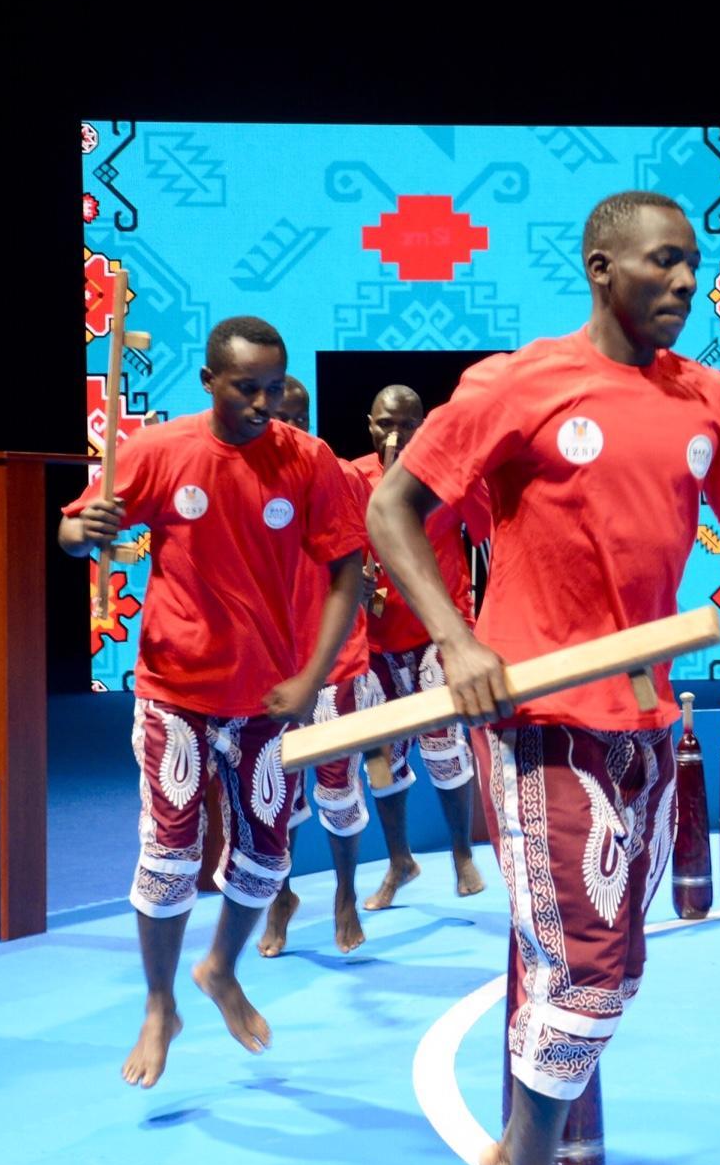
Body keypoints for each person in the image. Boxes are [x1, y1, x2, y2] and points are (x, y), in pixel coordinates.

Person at [367, 190, 720, 1165]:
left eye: (695, 264)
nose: (685, 283)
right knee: (593, 970)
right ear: (601, 268)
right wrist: (456, 638)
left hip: (649, 717)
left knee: (576, 948)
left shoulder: (710, 400)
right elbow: (394, 507)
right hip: (541, 719)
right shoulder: (521, 383)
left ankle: (544, 1154)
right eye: (661, 263)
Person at [58, 317, 365, 1088]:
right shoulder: (164, 452)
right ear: (208, 383)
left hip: (268, 697)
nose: (265, 403)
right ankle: (160, 1005)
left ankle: (220, 968)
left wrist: (312, 675)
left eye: (274, 387)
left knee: (267, 857)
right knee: (170, 854)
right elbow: (74, 529)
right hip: (177, 692)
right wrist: (76, 528)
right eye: (246, 388)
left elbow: (348, 571)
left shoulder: (308, 460)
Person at [351, 384, 491, 909]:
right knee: (381, 761)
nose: (394, 435)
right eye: (385, 424)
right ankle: (399, 862)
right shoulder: (351, 477)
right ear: (369, 423)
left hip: (439, 635)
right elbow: (336, 552)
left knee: (443, 748)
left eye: (406, 425)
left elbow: (492, 540)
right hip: (379, 642)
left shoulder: (448, 477)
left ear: (424, 425)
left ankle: (461, 855)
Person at [255, 377, 376, 958]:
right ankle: (281, 896)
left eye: (301, 416)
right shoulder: (242, 477)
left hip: (334, 660)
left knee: (336, 787)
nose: (292, 427)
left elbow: (360, 564)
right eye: (283, 415)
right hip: (270, 663)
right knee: (274, 792)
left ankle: (346, 896)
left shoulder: (339, 474)